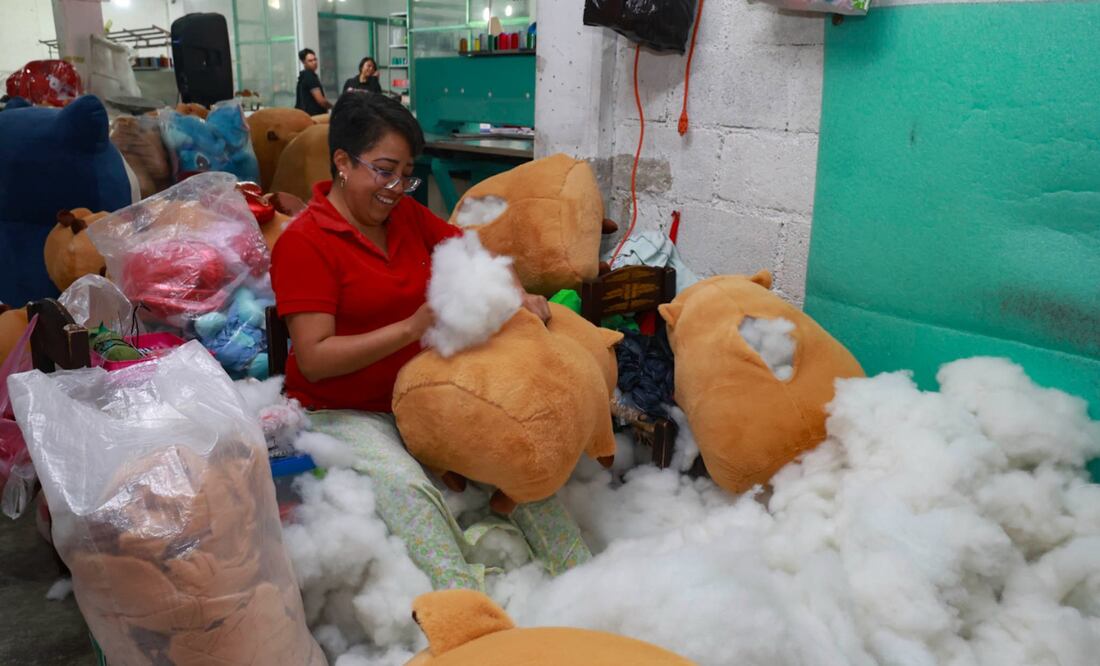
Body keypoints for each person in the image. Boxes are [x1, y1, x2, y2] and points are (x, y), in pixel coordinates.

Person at [270, 91, 590, 590]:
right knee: (409, 491)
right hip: (342, 412)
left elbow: (472, 253)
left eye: (406, 174)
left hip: (427, 396)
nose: (397, 187)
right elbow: (314, 360)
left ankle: (582, 580)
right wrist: (410, 328)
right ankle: (467, 610)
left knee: (513, 455)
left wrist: (519, 294)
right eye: (384, 170)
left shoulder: (407, 218)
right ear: (342, 162)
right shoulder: (304, 243)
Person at [295, 48, 332, 115]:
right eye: (310, 61)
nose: (314, 62)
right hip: (314, 117)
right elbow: (321, 101)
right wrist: (334, 107)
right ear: (303, 62)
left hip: (305, 115)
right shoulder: (309, 77)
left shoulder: (303, 76)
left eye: (315, 59)